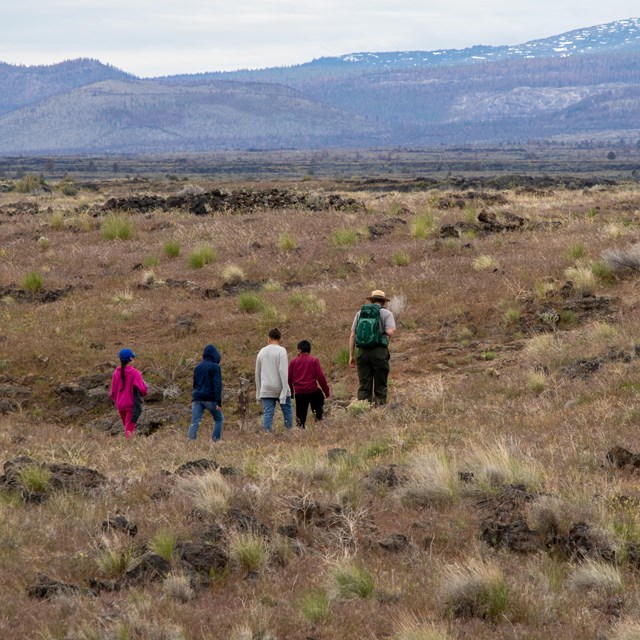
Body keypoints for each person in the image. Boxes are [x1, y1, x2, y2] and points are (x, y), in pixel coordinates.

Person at [349, 289, 396, 405]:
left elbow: (352, 335)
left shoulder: (360, 313)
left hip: (362, 352)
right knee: (380, 385)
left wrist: (351, 355)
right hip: (379, 351)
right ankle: (379, 411)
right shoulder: (387, 313)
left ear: (372, 300)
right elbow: (390, 331)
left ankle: (363, 410)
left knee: (364, 385)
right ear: (383, 302)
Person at [255, 328, 293, 433]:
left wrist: (258, 393)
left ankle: (267, 434)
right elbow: (283, 371)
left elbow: (257, 373)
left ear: (268, 339)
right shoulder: (281, 351)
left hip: (266, 387)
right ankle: (289, 432)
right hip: (280, 386)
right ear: (280, 339)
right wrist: (285, 390)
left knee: (268, 413)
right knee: (287, 411)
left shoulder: (261, 352)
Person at [288, 340, 331, 428]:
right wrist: (326, 391)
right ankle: (318, 420)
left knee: (300, 415)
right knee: (319, 401)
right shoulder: (314, 360)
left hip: (299, 392)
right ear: (309, 349)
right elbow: (321, 377)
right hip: (312, 390)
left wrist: (291, 393)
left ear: (299, 350)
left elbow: (289, 378)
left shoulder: (293, 362)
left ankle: (301, 428)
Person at [187, 344, 224, 442]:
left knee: (195, 421)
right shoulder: (215, 367)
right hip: (210, 398)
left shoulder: (198, 366)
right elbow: (217, 385)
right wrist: (218, 401)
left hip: (197, 397)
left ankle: (190, 442)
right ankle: (215, 440)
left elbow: (194, 383)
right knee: (219, 419)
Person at [110, 348, 148, 439]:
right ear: (131, 359)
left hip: (120, 405)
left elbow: (112, 392)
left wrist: (118, 400)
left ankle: (127, 446)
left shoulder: (116, 373)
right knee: (129, 430)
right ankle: (128, 449)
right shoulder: (135, 373)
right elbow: (143, 389)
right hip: (131, 406)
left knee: (127, 427)